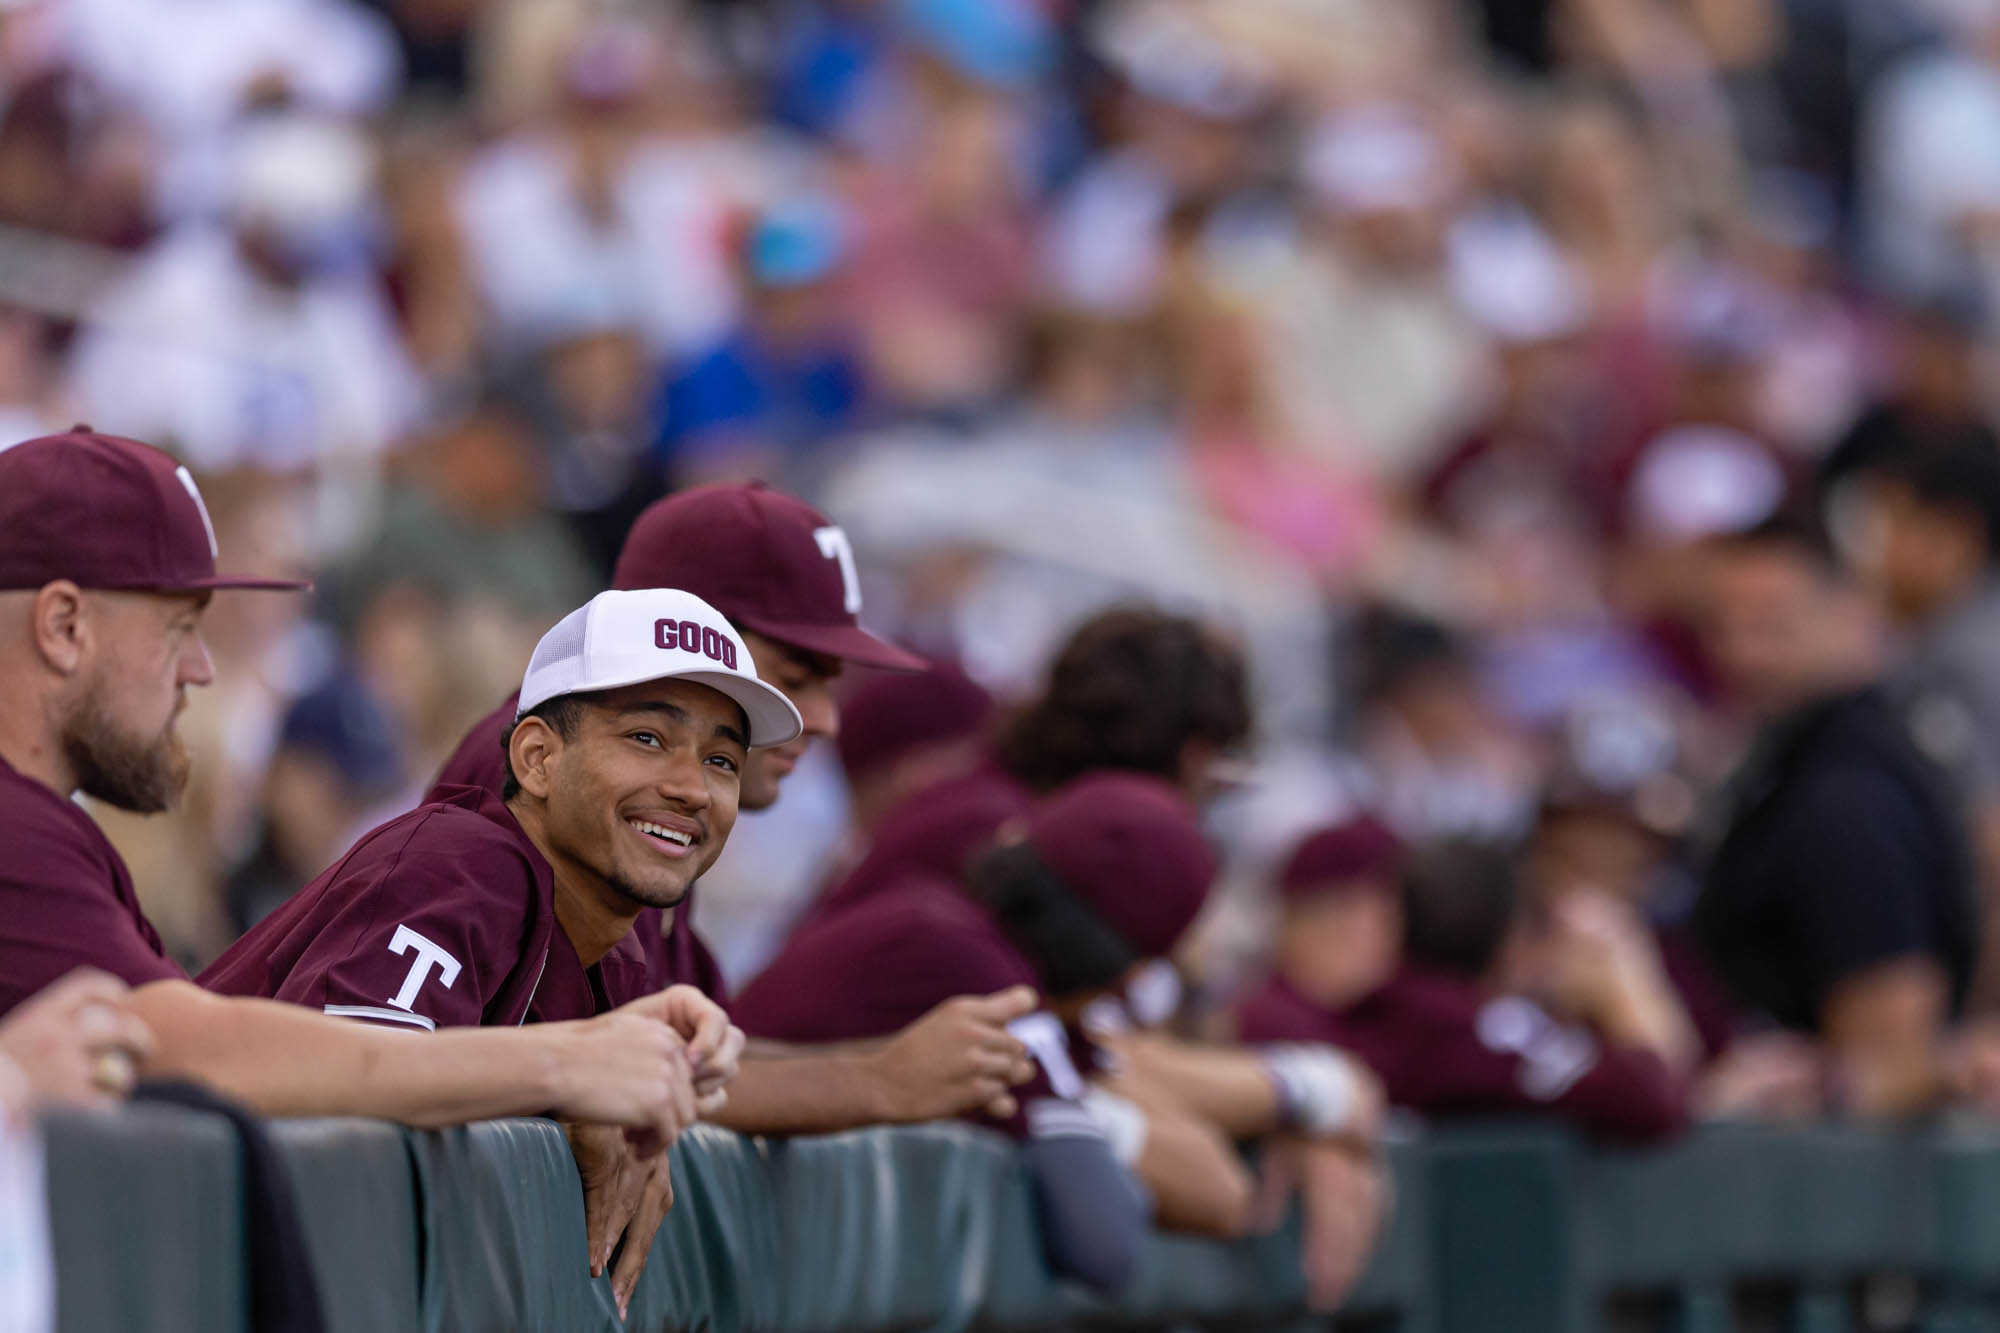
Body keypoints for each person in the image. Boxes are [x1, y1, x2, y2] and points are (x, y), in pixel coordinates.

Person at [0, 428, 717, 1292]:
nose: (201, 667)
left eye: (720, 756)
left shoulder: (46, 828)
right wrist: (569, 1063)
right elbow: (191, 1050)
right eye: (180, 627)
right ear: (65, 624)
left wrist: (583, 1076)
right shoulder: (15, 823)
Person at [205, 586, 793, 1313]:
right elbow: (337, 1094)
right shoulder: (466, 862)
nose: (691, 788)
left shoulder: (619, 956)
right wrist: (570, 1078)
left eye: (722, 761)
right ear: (539, 758)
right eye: (647, 738)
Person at [430, 481, 1042, 1137]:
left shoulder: (669, 803)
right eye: (796, 677)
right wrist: (877, 1080)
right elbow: (553, 1078)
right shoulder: (548, 779)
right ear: (686, 635)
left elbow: (683, 1066)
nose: (828, 721)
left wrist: (882, 1061)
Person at [739, 774, 1386, 1308]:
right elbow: (1109, 1238)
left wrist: (1305, 1098)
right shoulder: (976, 969)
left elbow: (1206, 1169)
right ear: (1133, 973)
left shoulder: (966, 935)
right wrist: (1104, 1123)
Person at [1694, 509, 1978, 1118]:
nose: (1742, 653)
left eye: (1771, 626)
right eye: (1723, 627)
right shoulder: (1790, 765)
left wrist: (1806, 1095)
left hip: (1815, 1191)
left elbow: (1892, 1058)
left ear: (1851, 611)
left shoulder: (1850, 803)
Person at [1237, 833, 1690, 1144]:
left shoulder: (1376, 1011)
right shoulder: (1460, 1024)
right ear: (1510, 941)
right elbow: (1653, 1098)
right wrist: (1625, 993)